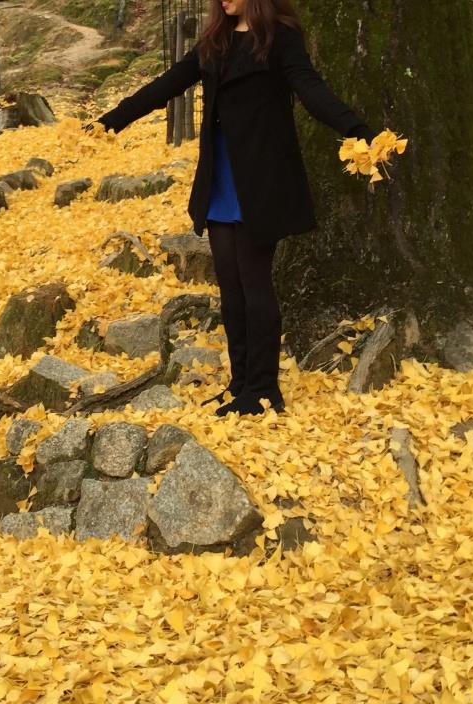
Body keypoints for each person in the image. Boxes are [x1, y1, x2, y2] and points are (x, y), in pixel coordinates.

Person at [95, 0, 375, 416]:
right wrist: (110, 120)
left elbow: (310, 88)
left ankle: (263, 392)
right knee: (230, 286)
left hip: (260, 180)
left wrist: (357, 130)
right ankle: (241, 382)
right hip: (220, 179)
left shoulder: (280, 37)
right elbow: (168, 84)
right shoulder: (216, 40)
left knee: (255, 283)